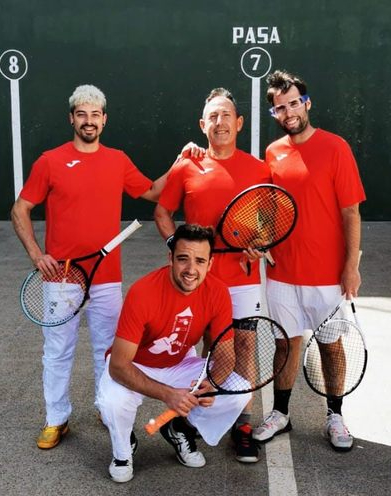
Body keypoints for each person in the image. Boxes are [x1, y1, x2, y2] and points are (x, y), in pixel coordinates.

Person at [10, 84, 167, 450]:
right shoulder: (50, 160)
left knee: (108, 350)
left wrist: (186, 160)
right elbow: (20, 209)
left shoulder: (117, 160)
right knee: (57, 350)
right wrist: (37, 256)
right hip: (60, 276)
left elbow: (153, 192)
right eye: (82, 114)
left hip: (107, 277)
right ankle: (56, 419)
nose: (89, 121)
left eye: (95, 115)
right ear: (72, 118)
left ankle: (104, 407)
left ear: (104, 119)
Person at [154, 88, 269, 463]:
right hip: (200, 280)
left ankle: (244, 425)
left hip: (243, 276)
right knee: (214, 351)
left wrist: (260, 242)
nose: (220, 123)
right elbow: (162, 212)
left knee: (246, 346)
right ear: (203, 125)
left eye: (226, 116)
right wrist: (179, 249)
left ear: (238, 123)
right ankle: (191, 418)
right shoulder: (187, 165)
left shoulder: (258, 168)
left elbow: (268, 222)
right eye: (213, 117)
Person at [252, 70, 366, 451]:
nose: (288, 112)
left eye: (293, 103)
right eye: (279, 108)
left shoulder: (336, 148)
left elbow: (351, 213)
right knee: (286, 344)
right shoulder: (273, 153)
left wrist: (351, 267)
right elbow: (270, 211)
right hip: (282, 273)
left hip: (327, 276)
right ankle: (281, 414)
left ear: (307, 102)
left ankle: (335, 415)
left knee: (330, 346)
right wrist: (261, 238)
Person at [98, 223, 250, 483]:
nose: (191, 270)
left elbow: (225, 355)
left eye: (200, 261)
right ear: (170, 258)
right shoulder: (143, 292)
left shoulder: (218, 292)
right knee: (113, 402)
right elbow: (118, 366)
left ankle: (180, 428)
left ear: (210, 264)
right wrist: (169, 395)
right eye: (183, 259)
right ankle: (122, 452)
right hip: (136, 365)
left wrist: (211, 385)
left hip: (180, 363)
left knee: (239, 391)